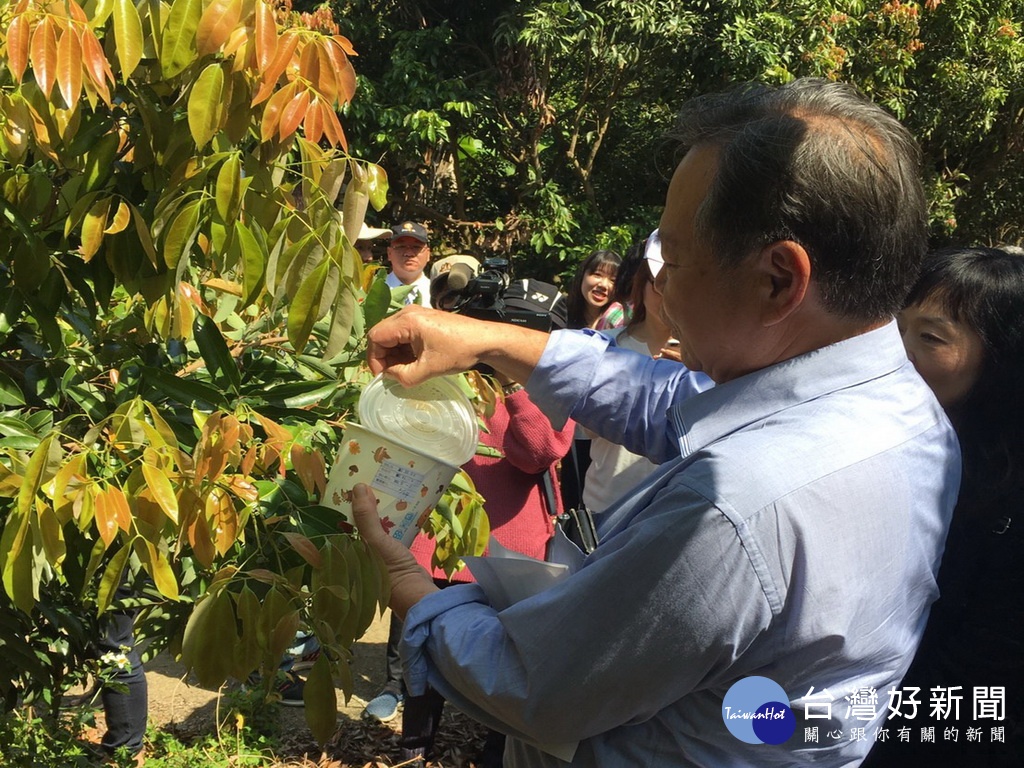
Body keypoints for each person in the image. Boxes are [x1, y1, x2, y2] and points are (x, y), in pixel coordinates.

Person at [349, 77, 960, 767]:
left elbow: (531, 688)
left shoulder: (737, 507)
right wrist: (489, 339)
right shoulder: (901, 408)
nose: (658, 284)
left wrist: (409, 587)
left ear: (778, 280)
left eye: (675, 258)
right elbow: (672, 404)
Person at [863, 245, 1024, 767]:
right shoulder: (883, 441)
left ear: (1001, 359)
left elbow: (980, 685)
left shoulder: (1005, 503)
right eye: (896, 326)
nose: (897, 351)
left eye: (930, 337)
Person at [581, 231, 710, 515]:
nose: (668, 292)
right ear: (641, 284)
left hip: (671, 508)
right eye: (658, 283)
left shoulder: (708, 357)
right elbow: (587, 428)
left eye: (677, 282)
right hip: (605, 504)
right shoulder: (605, 345)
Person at [564, 249, 620, 330]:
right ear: (582, 275)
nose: (604, 285)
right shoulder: (560, 314)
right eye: (598, 274)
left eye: (613, 280)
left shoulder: (620, 325)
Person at [385, 221, 433, 306]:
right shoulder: (373, 290)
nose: (409, 253)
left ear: (428, 254)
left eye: (416, 247)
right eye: (401, 247)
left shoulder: (437, 293)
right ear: (389, 253)